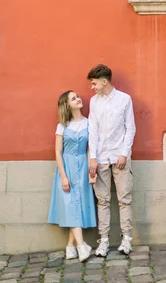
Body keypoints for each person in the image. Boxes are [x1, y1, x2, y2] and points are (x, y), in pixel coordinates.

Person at [88, 64, 136, 257]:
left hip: (119, 156)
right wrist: (93, 157)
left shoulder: (124, 100)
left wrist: (124, 153)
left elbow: (130, 128)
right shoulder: (94, 102)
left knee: (124, 199)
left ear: (104, 81)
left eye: (94, 83)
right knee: (103, 201)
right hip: (100, 158)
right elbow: (92, 130)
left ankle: (126, 240)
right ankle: (104, 241)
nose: (92, 87)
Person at [48, 90, 97, 262]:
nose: (78, 99)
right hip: (67, 168)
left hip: (83, 167)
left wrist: (92, 168)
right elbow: (58, 152)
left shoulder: (89, 123)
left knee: (77, 206)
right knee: (71, 206)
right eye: (73, 98)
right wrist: (63, 176)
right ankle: (81, 245)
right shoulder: (62, 125)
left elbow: (91, 147)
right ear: (67, 105)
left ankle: (70, 247)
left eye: (77, 96)